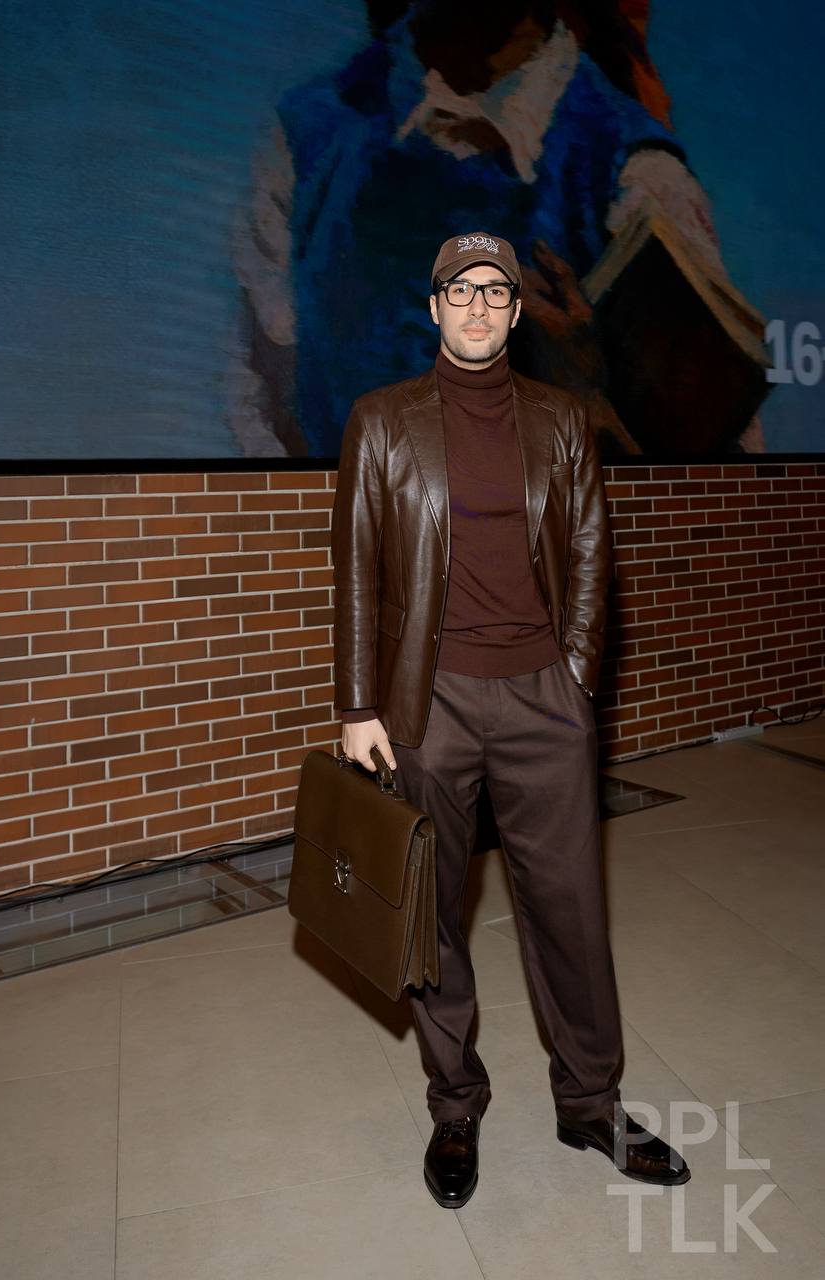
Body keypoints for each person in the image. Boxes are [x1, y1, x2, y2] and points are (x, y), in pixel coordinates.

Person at [330, 230, 690, 1208]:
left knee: (569, 907)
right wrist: (357, 705)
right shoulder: (382, 420)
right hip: (427, 701)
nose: (479, 305)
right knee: (431, 912)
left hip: (542, 698)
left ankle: (590, 1103)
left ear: (518, 312)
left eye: (496, 290)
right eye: (461, 289)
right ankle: (455, 1102)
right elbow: (356, 567)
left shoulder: (561, 418)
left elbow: (590, 554)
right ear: (433, 306)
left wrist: (574, 682)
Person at [234, 1, 765, 458]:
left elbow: (712, 492)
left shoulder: (637, 179)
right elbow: (271, 424)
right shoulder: (308, 135)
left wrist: (583, 404)